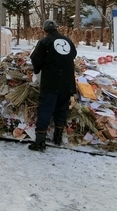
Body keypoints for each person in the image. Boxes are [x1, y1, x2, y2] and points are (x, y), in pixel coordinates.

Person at [28, 19, 77, 152]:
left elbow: (36, 58)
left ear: (44, 30)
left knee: (46, 109)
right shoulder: (67, 41)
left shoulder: (45, 42)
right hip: (67, 81)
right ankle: (58, 138)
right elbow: (73, 54)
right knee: (62, 109)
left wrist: (37, 70)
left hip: (52, 81)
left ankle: (40, 142)